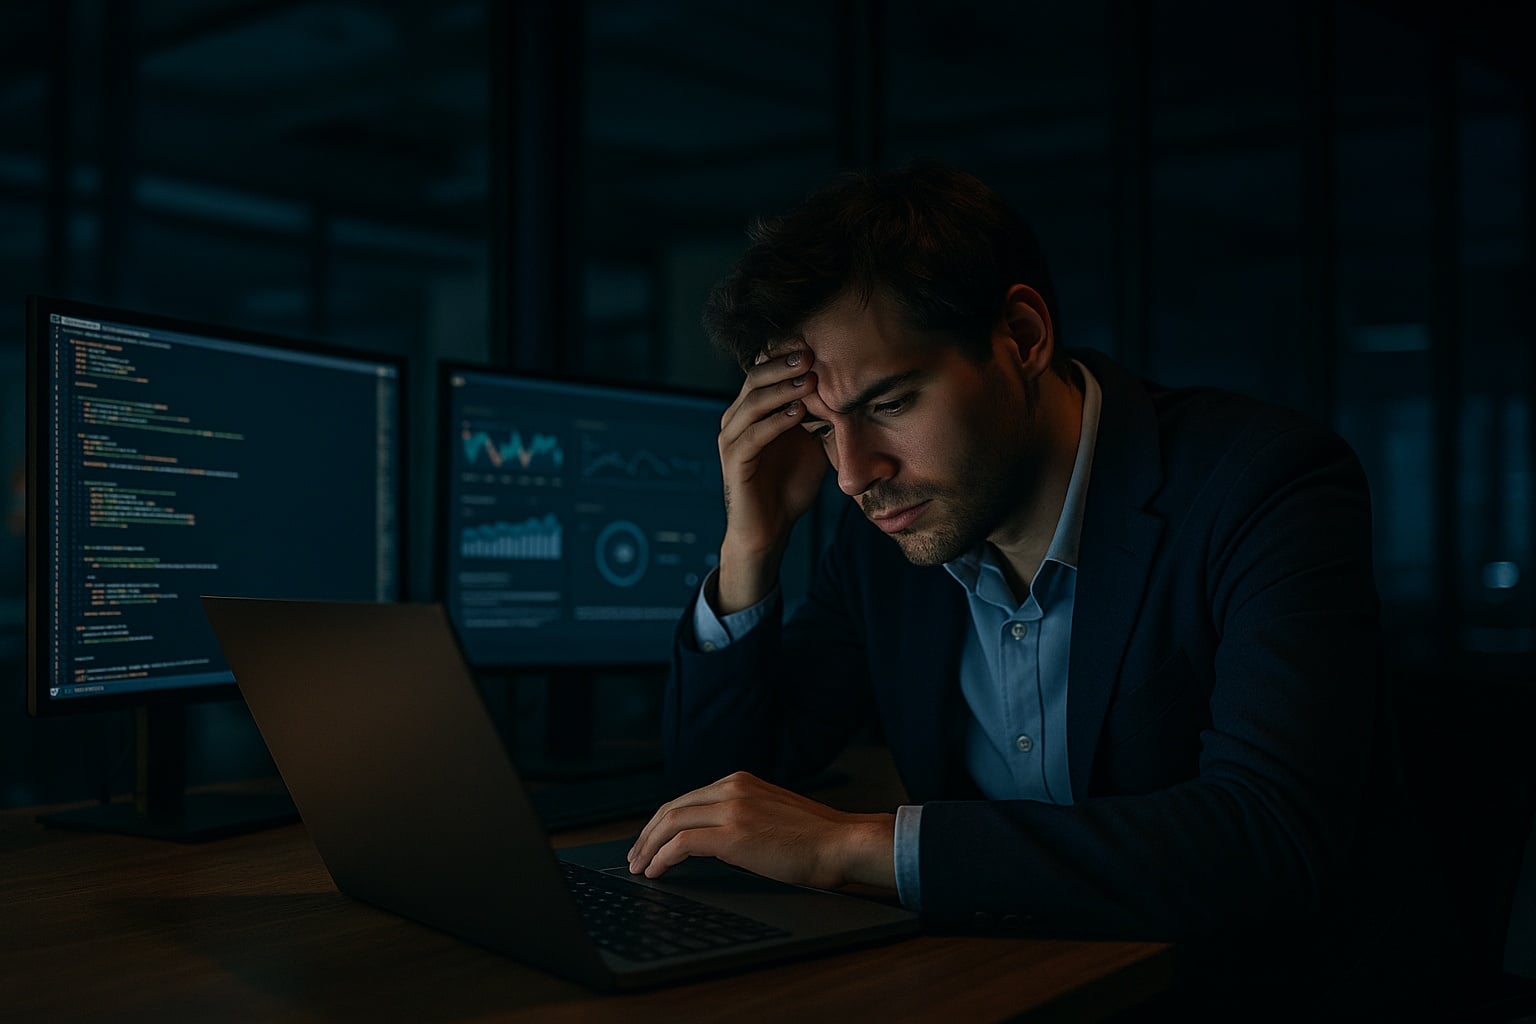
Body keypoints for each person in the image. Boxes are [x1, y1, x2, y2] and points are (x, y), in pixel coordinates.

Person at [626, 162, 1443, 1011]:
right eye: (820, 428)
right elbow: (718, 807)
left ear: (1021, 335)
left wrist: (855, 846)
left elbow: (1267, 837)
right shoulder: (882, 534)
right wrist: (751, 540)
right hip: (1010, 983)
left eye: (892, 403)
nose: (853, 474)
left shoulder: (1261, 484)